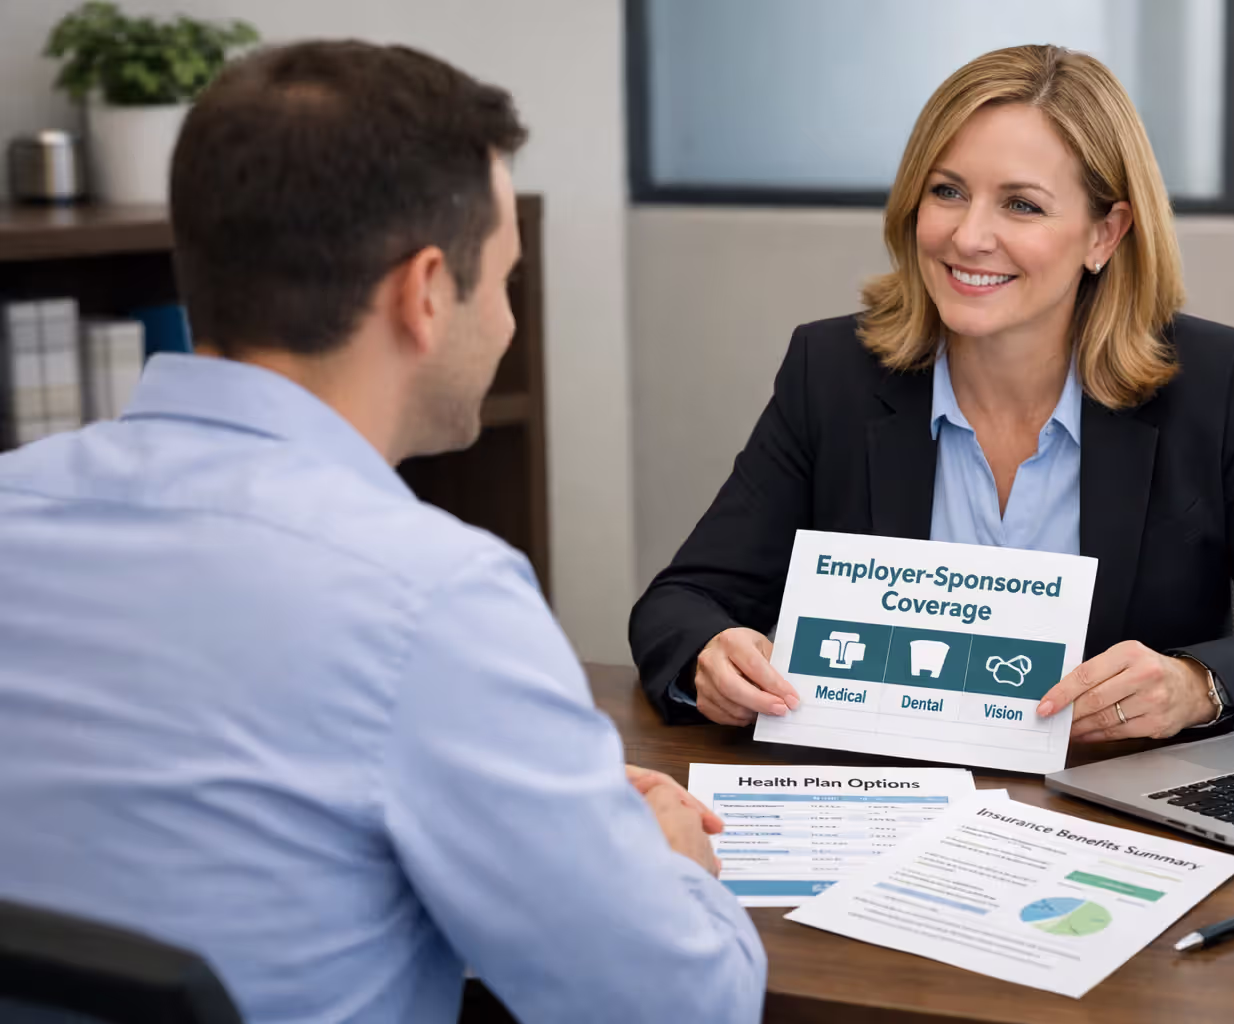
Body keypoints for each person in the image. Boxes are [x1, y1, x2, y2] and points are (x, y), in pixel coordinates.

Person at [0, 41, 764, 1024]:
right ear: (424, 292)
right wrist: (674, 869)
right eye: (502, 284)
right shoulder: (432, 598)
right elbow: (679, 1008)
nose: (505, 324)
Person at [631, 45, 1234, 740]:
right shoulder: (833, 373)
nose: (969, 236)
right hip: (889, 804)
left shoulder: (1211, 383)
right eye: (947, 191)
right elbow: (681, 604)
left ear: (1104, 235)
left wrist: (1195, 685)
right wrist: (712, 655)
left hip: (1111, 816)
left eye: (1021, 205)